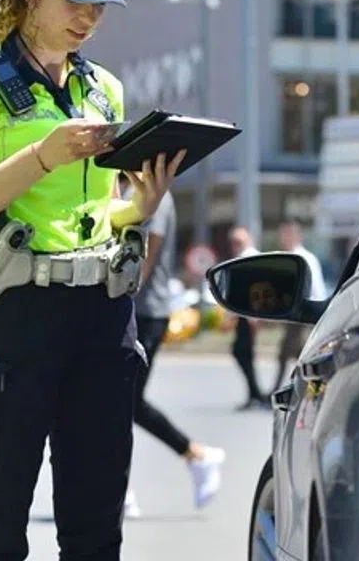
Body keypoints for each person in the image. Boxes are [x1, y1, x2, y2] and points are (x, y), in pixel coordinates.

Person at [0, 0, 185, 560]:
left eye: (99, 3)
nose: (89, 17)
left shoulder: (103, 90)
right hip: (13, 316)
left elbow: (96, 216)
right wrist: (43, 155)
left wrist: (139, 208)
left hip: (101, 315)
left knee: (96, 531)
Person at [122, 185, 225, 517]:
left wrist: (120, 296)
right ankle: (194, 456)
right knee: (121, 403)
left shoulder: (153, 191)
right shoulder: (122, 187)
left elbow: (148, 252)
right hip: (131, 312)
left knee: (123, 402)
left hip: (144, 312)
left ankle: (193, 456)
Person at [274, 220, 327, 387]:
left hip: (305, 313)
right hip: (293, 314)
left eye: (287, 234)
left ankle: (305, 386)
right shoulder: (287, 256)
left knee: (298, 352)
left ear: (296, 236)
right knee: (292, 353)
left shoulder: (305, 258)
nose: (283, 238)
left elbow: (316, 288)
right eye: (282, 234)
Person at [225, 226, 268, 410]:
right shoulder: (243, 257)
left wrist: (254, 317)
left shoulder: (249, 257)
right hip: (244, 314)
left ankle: (256, 393)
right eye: (233, 242)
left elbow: (254, 289)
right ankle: (254, 393)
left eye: (239, 241)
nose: (235, 245)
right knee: (243, 353)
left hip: (249, 314)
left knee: (243, 352)